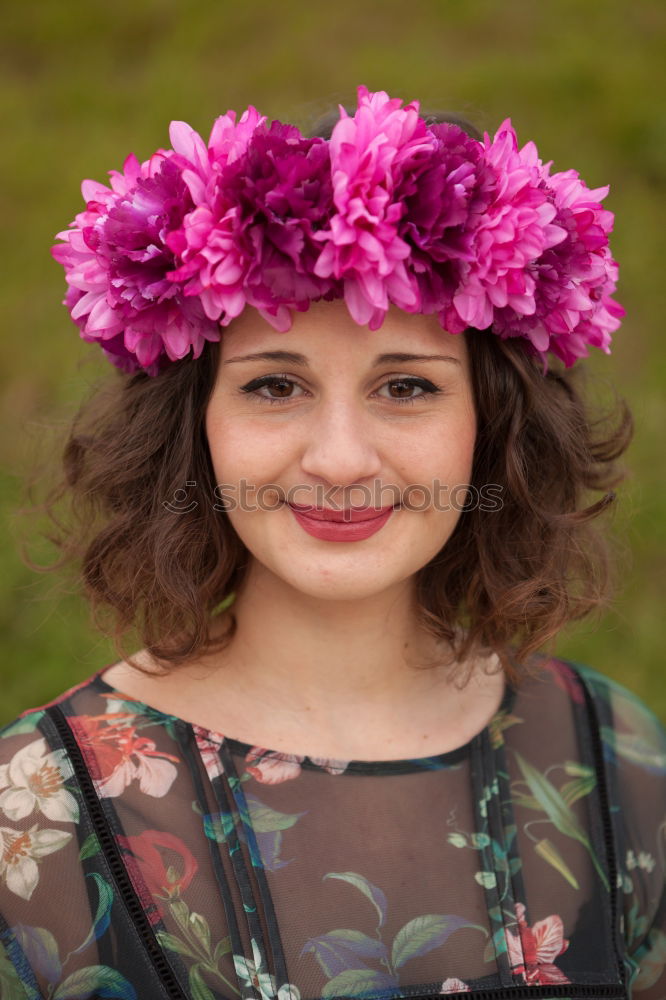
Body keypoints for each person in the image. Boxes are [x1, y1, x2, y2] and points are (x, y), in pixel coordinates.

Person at [0, 86, 663, 1000]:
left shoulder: (618, 761)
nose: (342, 461)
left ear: (492, 424)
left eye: (407, 388)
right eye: (275, 386)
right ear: (194, 427)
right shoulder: (36, 810)